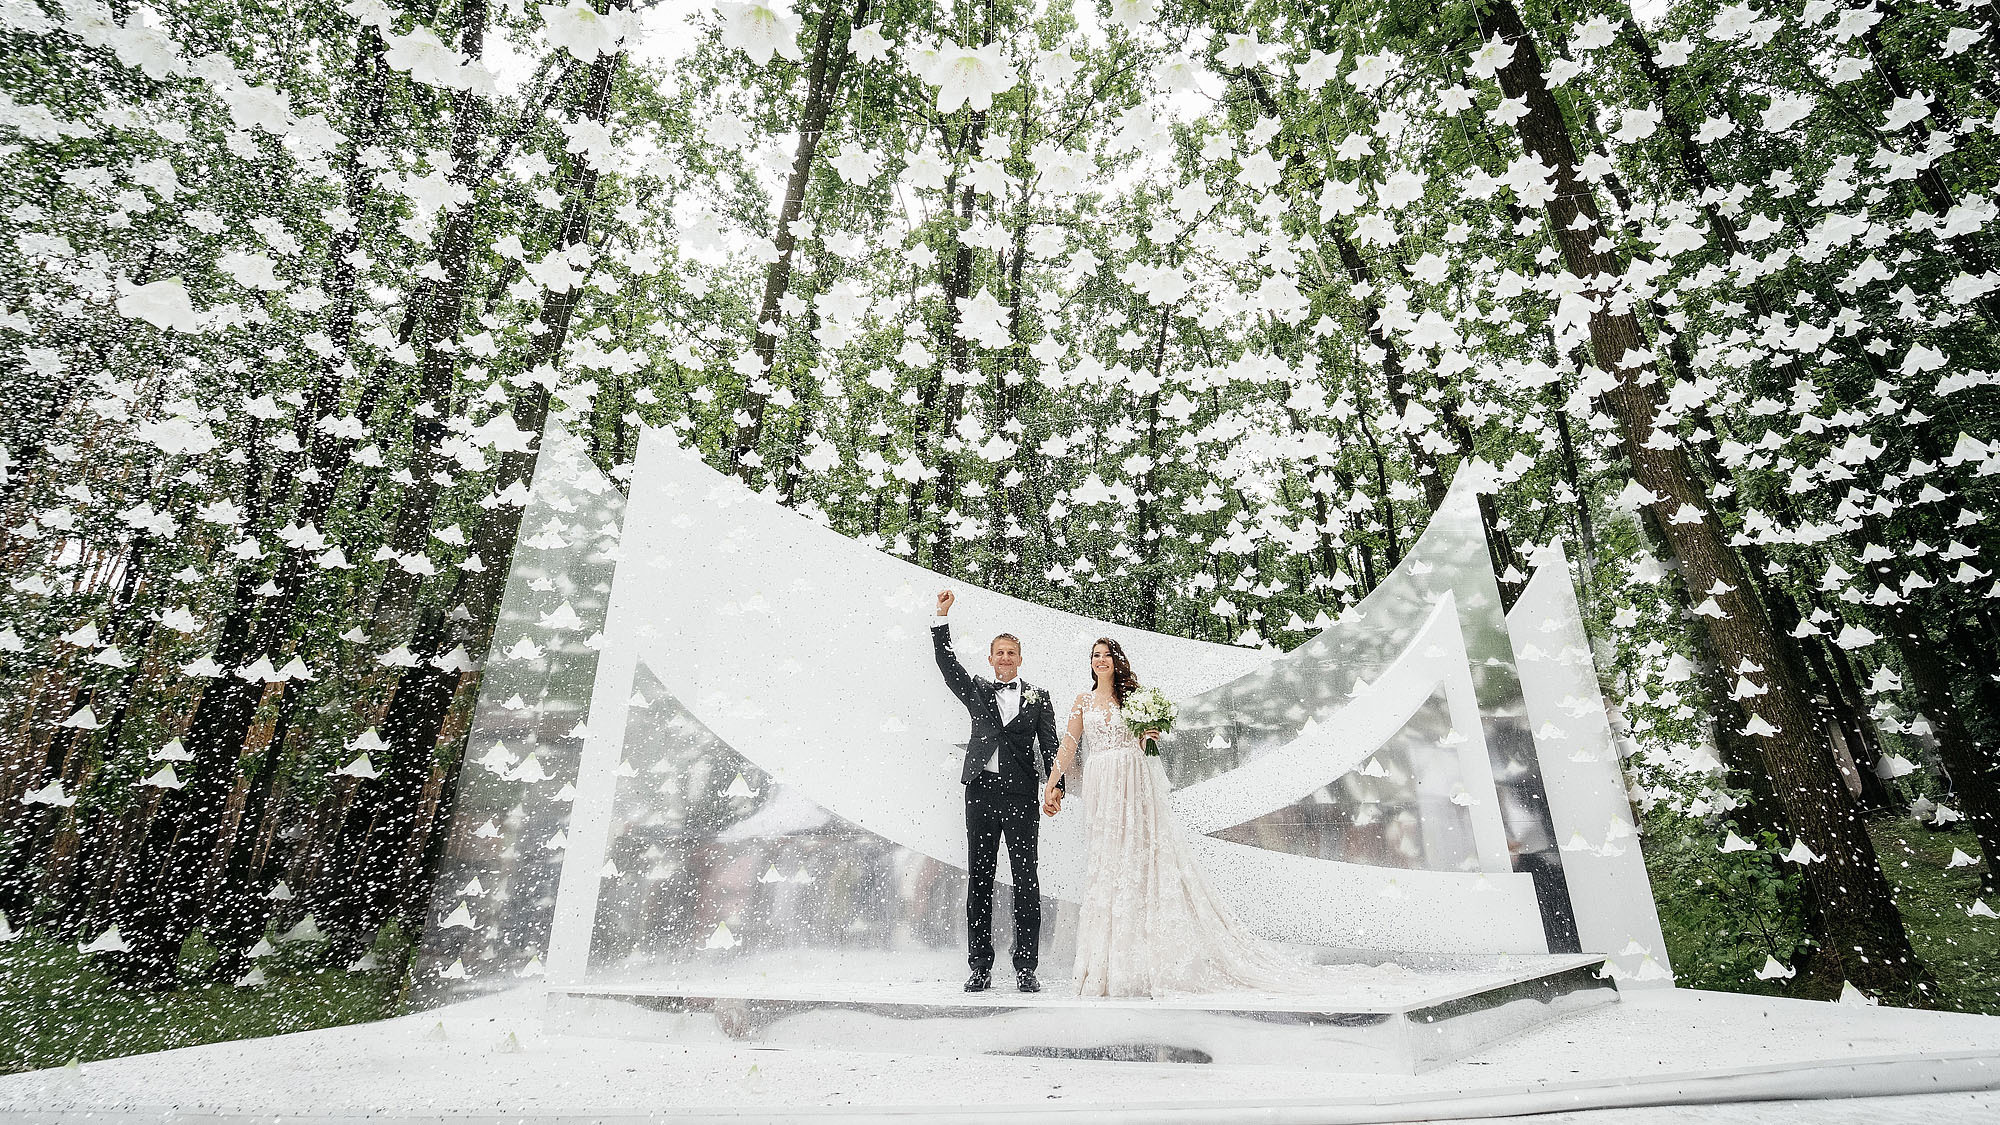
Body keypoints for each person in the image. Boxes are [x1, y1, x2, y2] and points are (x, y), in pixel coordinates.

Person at [1043, 636, 1330, 998]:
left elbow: (1149, 746)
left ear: (1117, 661)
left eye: (1106, 655)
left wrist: (1150, 736)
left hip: (1134, 781)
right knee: (1107, 862)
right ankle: (1107, 964)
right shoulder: (1083, 701)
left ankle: (1143, 964)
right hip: (1103, 783)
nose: (1101, 661)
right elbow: (1069, 744)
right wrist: (1052, 783)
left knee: (1137, 861)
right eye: (1095, 656)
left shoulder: (1134, 699)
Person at [931, 589, 1062, 993]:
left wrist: (1056, 789)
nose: (1005, 658)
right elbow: (947, 664)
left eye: (1011, 653)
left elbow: (1053, 747)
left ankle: (1026, 967)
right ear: (990, 659)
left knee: (1026, 880)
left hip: (1021, 796)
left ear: (1019, 659)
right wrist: (941, 618)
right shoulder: (977, 689)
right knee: (981, 879)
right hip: (981, 794)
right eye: (999, 653)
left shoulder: (1039, 697)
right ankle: (980, 965)